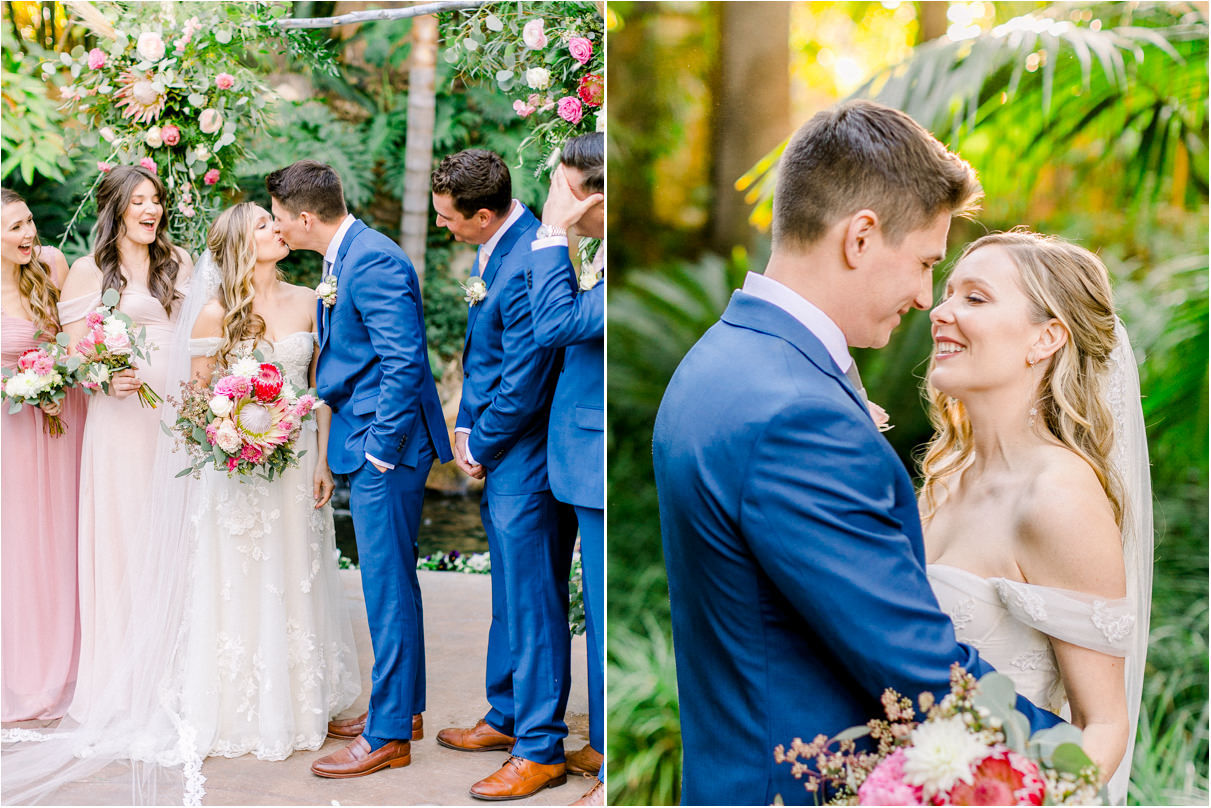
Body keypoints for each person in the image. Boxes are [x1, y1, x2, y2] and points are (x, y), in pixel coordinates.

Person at [652, 100, 1064, 806]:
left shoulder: (721, 361)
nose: (924, 298)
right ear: (862, 237)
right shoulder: (796, 412)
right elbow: (914, 663)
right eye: (925, 262)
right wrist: (1072, 760)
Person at [922, 229, 1151, 803]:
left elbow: (1102, 726)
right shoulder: (943, 478)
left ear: (1046, 338)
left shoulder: (1057, 496)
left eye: (974, 298)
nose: (940, 311)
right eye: (948, 294)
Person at [266, 160, 452, 779]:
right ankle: (404, 709)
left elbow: (404, 363)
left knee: (386, 586)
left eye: (278, 218)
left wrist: (379, 448)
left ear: (305, 218)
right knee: (393, 580)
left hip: (387, 447)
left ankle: (389, 734)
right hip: (368, 434)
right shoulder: (342, 257)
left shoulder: (372, 261)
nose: (275, 228)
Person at [177, 202, 361, 760]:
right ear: (239, 243)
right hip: (240, 473)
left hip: (300, 460)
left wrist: (324, 460)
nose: (276, 228)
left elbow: (320, 388)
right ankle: (241, 706)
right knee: (245, 577)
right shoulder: (215, 314)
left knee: (299, 572)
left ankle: (306, 699)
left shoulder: (310, 300)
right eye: (263, 224)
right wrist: (234, 436)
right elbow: (195, 405)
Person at [432, 149, 577, 801]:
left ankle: (540, 747)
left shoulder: (524, 259)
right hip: (499, 442)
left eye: (448, 218)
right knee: (508, 595)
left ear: (482, 214)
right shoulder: (501, 242)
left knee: (534, 601)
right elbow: (486, 357)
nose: (443, 227)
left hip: (526, 453)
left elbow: (525, 377)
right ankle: (506, 714)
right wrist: (464, 425)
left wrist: (482, 440)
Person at [57, 165, 193, 720]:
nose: (150, 209)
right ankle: (121, 676)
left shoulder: (179, 262)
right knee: (124, 535)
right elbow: (69, 357)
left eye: (155, 199)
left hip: (175, 423)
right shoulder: (89, 272)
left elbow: (202, 332)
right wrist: (100, 376)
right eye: (137, 200)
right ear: (114, 207)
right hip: (118, 425)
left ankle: (177, 668)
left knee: (175, 533)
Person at [525, 134, 606, 806]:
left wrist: (553, 233)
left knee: (605, 620)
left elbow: (553, 323)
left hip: (599, 461)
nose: (552, 198)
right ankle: (605, 743)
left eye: (561, 186)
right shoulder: (600, 250)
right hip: (578, 455)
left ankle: (614, 776)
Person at [0, 188, 86, 722]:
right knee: (18, 544)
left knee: (61, 537)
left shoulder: (52, 266)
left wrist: (56, 377)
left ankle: (70, 660)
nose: (29, 233)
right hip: (11, 430)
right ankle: (22, 668)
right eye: (14, 228)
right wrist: (17, 383)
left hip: (59, 422)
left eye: (28, 221)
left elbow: (70, 342)